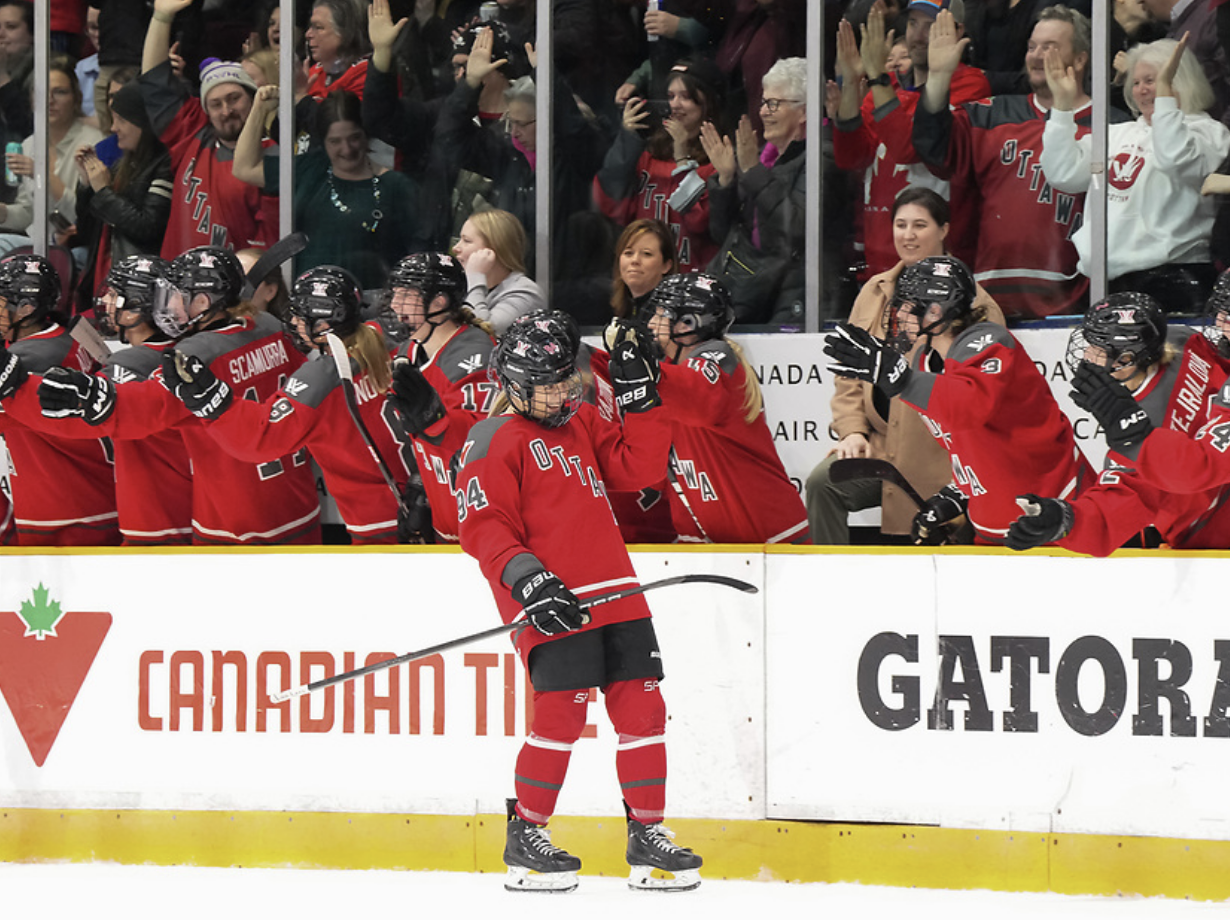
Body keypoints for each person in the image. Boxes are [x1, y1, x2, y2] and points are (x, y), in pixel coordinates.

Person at [453, 310, 703, 893]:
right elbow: (483, 526)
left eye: (566, 379)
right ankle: (527, 834)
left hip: (618, 591)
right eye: (548, 385)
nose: (563, 393)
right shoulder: (491, 438)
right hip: (552, 599)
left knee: (644, 711)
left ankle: (647, 835)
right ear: (513, 384)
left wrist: (640, 396)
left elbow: (640, 468)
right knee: (561, 716)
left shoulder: (581, 421)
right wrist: (529, 581)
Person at [36, 246, 321, 546]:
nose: (169, 305)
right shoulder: (269, 325)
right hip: (298, 505)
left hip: (234, 523)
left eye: (178, 296)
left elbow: (150, 406)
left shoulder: (195, 353)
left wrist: (93, 396)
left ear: (203, 301)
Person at [824, 255, 1093, 544]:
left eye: (908, 305)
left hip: (1057, 513)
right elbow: (965, 442)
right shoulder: (925, 360)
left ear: (935, 311)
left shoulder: (990, 341)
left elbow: (970, 406)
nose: (899, 314)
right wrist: (958, 494)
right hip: (996, 523)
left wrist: (902, 380)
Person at [806, 187, 1003, 545]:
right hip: (882, 446)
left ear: (944, 230)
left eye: (919, 225)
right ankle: (831, 576)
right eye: (900, 224)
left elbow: (984, 397)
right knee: (824, 483)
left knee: (941, 545)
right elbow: (848, 374)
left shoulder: (976, 303)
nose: (908, 235)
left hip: (942, 456)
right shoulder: (874, 291)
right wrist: (852, 431)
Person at [179, 265, 404, 545]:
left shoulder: (322, 377)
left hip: (377, 520)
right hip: (421, 498)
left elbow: (261, 438)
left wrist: (214, 403)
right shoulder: (383, 340)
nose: (294, 322)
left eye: (301, 315)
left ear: (324, 324)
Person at [1006, 291, 1230, 555]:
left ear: (1126, 358)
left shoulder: (1140, 435)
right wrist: (1062, 516)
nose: (1087, 354)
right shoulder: (1183, 341)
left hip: (1214, 537)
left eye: (1097, 348)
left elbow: (1118, 505)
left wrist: (1066, 522)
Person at [913, 6, 1098, 319]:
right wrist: (939, 79)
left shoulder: (1110, 126)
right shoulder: (989, 115)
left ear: (1080, 59)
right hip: (990, 301)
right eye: (1031, 47)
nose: (1036, 56)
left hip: (1074, 303)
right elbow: (934, 150)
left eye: (1049, 47)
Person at [2, 255, 193, 545]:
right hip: (128, 499)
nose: (105, 302)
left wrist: (16, 390)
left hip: (82, 510)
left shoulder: (127, 364)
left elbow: (65, 418)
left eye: (115, 296)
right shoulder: (72, 338)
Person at [1040, 36, 1230, 314]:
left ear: (1181, 81)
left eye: (1152, 80)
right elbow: (1063, 173)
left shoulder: (1209, 133)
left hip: (1177, 279)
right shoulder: (1116, 133)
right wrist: (1062, 108)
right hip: (1108, 281)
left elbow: (1177, 159)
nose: (1142, 90)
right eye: (1136, 82)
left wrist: (1165, 100)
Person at [642, 272, 809, 544]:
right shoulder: (669, 372)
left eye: (661, 315)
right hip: (710, 546)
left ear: (688, 323)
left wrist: (638, 370)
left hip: (772, 543)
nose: (651, 323)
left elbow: (695, 397)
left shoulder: (718, 361)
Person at [831, 0, 990, 280]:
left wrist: (877, 78)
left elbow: (909, 148)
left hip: (940, 264)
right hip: (880, 259)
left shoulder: (969, 84)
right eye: (914, 23)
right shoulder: (887, 85)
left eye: (931, 26)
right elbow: (851, 156)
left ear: (957, 32)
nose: (918, 35)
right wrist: (853, 82)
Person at [233, 85, 426, 290]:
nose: (347, 149)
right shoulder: (310, 169)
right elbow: (244, 168)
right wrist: (259, 109)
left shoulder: (397, 187)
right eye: (335, 141)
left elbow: (416, 260)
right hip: (305, 300)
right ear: (323, 141)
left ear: (366, 135)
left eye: (354, 138)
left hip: (368, 304)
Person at [139, 0, 277, 258]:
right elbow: (153, 81)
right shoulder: (193, 136)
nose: (226, 111)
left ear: (253, 98)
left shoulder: (273, 155)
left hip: (241, 282)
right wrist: (161, 18)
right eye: (216, 104)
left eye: (234, 99)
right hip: (180, 280)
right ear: (206, 110)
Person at [0, 254, 119, 546]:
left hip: (67, 508)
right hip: (91, 490)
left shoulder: (30, 360)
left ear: (26, 308)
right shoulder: (68, 335)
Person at [381, 251, 496, 544]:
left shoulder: (475, 355)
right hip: (447, 520)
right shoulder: (409, 350)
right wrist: (421, 486)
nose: (395, 304)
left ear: (439, 302)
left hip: (487, 528)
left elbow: (482, 445)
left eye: (406, 295)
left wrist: (434, 420)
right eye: (395, 294)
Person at [702, 56, 808, 324]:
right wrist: (726, 180)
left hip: (795, 291)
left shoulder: (820, 157)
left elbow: (797, 228)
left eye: (773, 104)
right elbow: (722, 234)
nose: (762, 112)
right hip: (750, 289)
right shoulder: (760, 159)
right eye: (763, 102)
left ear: (804, 111)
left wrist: (752, 172)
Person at [594, 57, 725, 274]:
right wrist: (628, 139)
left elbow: (701, 223)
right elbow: (610, 202)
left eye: (686, 97)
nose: (675, 104)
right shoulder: (648, 154)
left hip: (692, 279)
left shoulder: (719, 160)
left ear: (708, 103)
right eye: (671, 96)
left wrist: (682, 159)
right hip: (645, 277)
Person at [72, 80, 173, 312]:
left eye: (121, 120)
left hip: (140, 288)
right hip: (106, 280)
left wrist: (103, 191)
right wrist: (86, 185)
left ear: (143, 123)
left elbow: (148, 226)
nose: (113, 128)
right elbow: (86, 231)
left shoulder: (165, 165)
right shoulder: (123, 165)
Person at [0, 56, 106, 250]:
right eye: (41, 92)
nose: (49, 100)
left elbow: (82, 216)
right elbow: (27, 214)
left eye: (60, 92)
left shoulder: (93, 143)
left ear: (76, 98)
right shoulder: (29, 144)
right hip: (35, 242)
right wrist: (4, 213)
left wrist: (41, 174)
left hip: (76, 245)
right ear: (31, 100)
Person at [453, 208, 544, 335]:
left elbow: (480, 335)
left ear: (495, 247)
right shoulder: (460, 287)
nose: (455, 248)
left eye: (467, 241)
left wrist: (475, 276)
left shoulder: (526, 293)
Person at [610, 218, 677, 321]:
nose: (635, 260)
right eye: (628, 253)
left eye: (647, 254)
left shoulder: (673, 317)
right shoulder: (615, 307)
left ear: (666, 266)